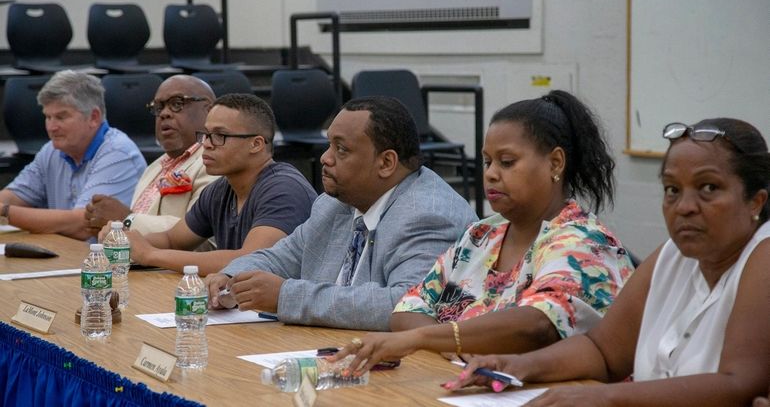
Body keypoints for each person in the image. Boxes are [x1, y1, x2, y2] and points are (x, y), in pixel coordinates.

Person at [444, 118, 770, 406]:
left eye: (708, 188)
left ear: (756, 200)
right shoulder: (672, 256)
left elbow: (737, 385)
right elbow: (602, 351)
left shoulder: (763, 257)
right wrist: (516, 365)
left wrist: (604, 397)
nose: (684, 206)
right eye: (672, 190)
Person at [331, 90, 634, 374]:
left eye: (507, 162)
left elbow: (537, 325)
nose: (490, 173)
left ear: (555, 163)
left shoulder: (583, 242)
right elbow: (405, 310)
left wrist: (429, 338)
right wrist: (451, 344)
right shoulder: (481, 235)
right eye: (487, 161)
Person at [205, 96, 478, 331]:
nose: (325, 158)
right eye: (329, 145)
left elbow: (407, 304)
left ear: (386, 163)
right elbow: (283, 256)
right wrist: (231, 277)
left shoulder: (428, 214)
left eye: (341, 149)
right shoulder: (334, 203)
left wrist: (286, 296)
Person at [121, 93, 317, 275]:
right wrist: (123, 243)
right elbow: (173, 240)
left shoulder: (284, 189)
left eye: (219, 135)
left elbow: (250, 261)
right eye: (206, 134)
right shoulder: (220, 189)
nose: (206, 143)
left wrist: (150, 255)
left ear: (256, 144)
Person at [0, 70, 146, 240]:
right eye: (48, 117)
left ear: (93, 117)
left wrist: (5, 212)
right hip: (69, 257)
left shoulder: (119, 154)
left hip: (107, 262)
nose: (51, 127)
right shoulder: (51, 150)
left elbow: (83, 225)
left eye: (61, 117)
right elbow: (14, 196)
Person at [85, 75, 218, 237]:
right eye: (158, 107)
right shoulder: (153, 168)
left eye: (177, 104)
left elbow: (205, 237)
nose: (164, 114)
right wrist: (108, 228)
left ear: (209, 110)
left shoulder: (216, 162)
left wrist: (126, 220)